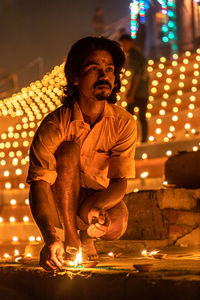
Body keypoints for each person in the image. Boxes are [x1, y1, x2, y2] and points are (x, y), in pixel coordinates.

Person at [27, 36, 137, 271]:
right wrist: (49, 237)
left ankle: (88, 238)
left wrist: (99, 209)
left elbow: (119, 181)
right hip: (60, 205)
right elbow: (39, 184)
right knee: (68, 149)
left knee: (117, 224)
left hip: (94, 202)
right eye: (94, 68)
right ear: (75, 77)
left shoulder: (124, 123)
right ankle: (71, 239)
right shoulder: (55, 125)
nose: (104, 76)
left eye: (109, 69)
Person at [119, 34, 149, 143]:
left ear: (131, 42)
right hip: (144, 92)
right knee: (141, 117)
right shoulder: (138, 55)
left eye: (125, 44)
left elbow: (137, 76)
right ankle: (143, 140)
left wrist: (131, 93)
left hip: (138, 92)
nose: (124, 47)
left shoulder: (133, 55)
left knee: (129, 118)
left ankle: (128, 141)